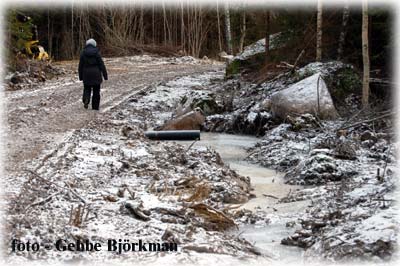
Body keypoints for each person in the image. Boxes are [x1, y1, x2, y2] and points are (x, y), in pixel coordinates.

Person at [78, 38, 108, 110]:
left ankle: (86, 99)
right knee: (96, 90)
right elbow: (101, 64)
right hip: (96, 73)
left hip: (86, 74)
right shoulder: (97, 53)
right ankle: (95, 106)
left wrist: (81, 76)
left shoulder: (83, 53)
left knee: (87, 88)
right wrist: (105, 75)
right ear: (94, 45)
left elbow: (80, 66)